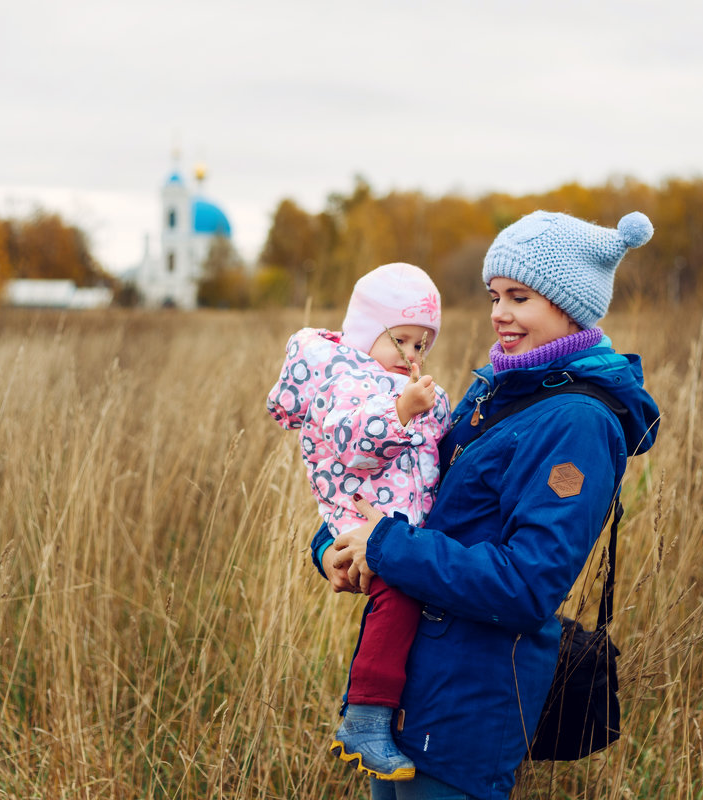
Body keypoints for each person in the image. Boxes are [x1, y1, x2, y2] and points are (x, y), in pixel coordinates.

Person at [316, 210, 661, 800]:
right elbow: (406, 494)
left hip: (471, 708)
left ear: (569, 305)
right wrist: (333, 547)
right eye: (494, 295)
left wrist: (386, 546)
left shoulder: (577, 422)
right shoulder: (494, 391)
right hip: (404, 692)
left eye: (519, 297)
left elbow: (527, 585)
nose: (499, 313)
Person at [267, 262, 452, 782]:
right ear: (368, 333)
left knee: (403, 594)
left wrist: (432, 409)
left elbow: (433, 442)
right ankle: (364, 718)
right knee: (397, 595)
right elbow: (355, 446)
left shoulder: (386, 378)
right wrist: (401, 411)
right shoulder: (345, 379)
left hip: (395, 518)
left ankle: (375, 713)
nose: (412, 356)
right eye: (402, 341)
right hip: (362, 514)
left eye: (422, 346)